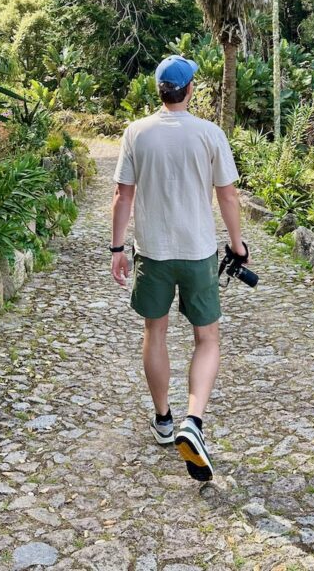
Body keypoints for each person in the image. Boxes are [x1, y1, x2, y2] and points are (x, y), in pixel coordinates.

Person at [110, 55, 250, 482]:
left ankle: (165, 420)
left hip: (151, 251)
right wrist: (238, 245)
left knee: (155, 331)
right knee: (206, 337)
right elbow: (227, 197)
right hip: (198, 251)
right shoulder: (210, 134)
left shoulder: (136, 133)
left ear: (159, 90)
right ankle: (195, 420)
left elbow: (122, 196)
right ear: (191, 90)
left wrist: (117, 247)